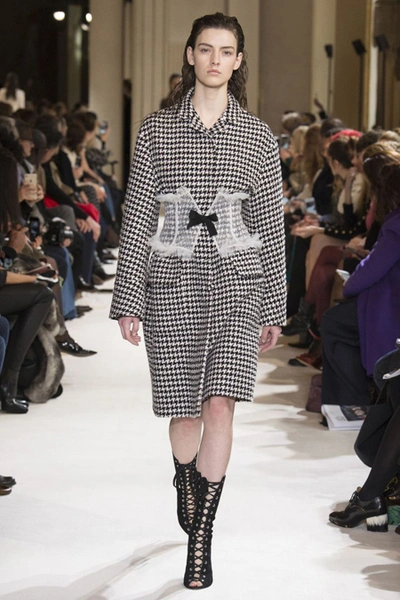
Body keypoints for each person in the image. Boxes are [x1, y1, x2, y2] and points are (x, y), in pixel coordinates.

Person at [110, 12, 286, 590]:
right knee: (184, 410)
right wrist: (129, 297)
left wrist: (274, 306)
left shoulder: (257, 136)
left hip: (237, 280)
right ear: (190, 55)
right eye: (205, 49)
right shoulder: (157, 130)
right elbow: (138, 215)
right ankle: (185, 477)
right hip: (173, 280)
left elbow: (269, 225)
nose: (215, 59)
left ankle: (201, 540)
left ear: (238, 61)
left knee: (220, 405)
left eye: (226, 51)